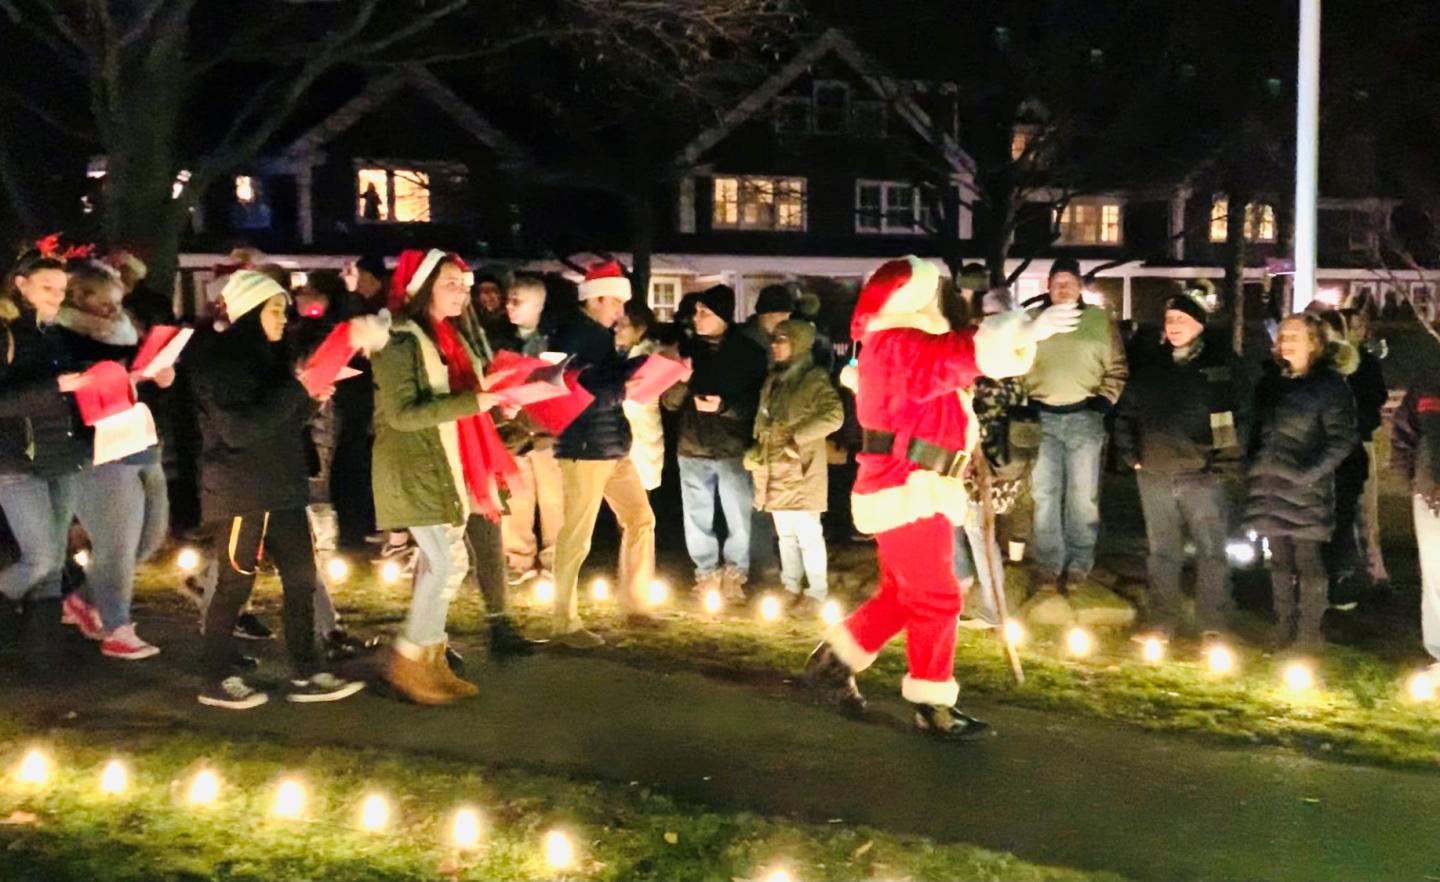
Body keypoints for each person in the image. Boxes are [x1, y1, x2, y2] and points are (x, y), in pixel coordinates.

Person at [805, 256, 1079, 740]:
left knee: (901, 595)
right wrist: (1028, 329)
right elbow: (959, 355)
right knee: (936, 597)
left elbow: (951, 362)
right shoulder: (902, 345)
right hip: (911, 488)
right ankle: (932, 703)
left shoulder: (890, 344)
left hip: (906, 485)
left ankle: (834, 661)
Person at [190, 270, 365, 709]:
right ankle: (215, 677)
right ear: (249, 311)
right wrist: (297, 391)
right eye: (273, 309)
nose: (283, 319)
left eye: (284, 310)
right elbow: (238, 429)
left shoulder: (272, 359)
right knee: (234, 585)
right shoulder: (221, 363)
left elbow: (278, 417)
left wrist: (311, 399)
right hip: (241, 491)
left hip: (282, 486)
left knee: (303, 579)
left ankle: (306, 670)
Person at [371, 249, 534, 703]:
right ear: (422, 288)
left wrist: (500, 397)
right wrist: (475, 403)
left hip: (449, 460)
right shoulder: (398, 339)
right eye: (451, 284)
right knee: (443, 562)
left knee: (451, 562)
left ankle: (431, 659)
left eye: (464, 283)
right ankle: (407, 662)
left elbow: (465, 392)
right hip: (417, 464)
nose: (463, 292)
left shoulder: (448, 336)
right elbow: (402, 414)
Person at [1114, 290, 1252, 641]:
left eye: (1181, 320)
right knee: (1162, 551)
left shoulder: (1220, 365)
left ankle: (1213, 622)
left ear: (1198, 324)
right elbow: (1127, 412)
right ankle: (1163, 620)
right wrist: (1132, 455)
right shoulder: (1152, 364)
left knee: (1210, 550)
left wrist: (1223, 462)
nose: (1174, 326)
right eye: (1170, 320)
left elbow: (1232, 416)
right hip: (1155, 471)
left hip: (1201, 473)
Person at [57, 262, 174, 660]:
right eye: (103, 301)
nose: (111, 308)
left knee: (151, 534)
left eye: (116, 301)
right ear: (80, 297)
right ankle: (117, 626)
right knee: (116, 543)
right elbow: (73, 391)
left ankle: (83, 601)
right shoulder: (61, 335)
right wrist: (125, 377)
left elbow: (140, 378)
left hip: (140, 436)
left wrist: (159, 373)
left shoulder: (127, 330)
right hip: (97, 446)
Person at [548, 261, 656, 648]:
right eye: (616, 304)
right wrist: (631, 380)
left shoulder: (595, 334)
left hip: (610, 444)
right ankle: (564, 620)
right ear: (597, 299)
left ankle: (637, 602)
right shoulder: (574, 335)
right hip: (585, 447)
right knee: (577, 535)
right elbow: (582, 391)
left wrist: (637, 367)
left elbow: (604, 381)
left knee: (641, 518)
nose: (620, 313)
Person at [0, 249, 90, 671]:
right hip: (17, 463)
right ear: (21, 285)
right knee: (39, 558)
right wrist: (54, 386)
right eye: (47, 288)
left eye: (61, 290)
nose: (57, 297)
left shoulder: (53, 333)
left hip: (60, 455)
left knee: (53, 565)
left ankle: (44, 659)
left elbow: (69, 394)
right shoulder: (7, 335)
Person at [1245, 314, 1357, 650]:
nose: (1286, 342)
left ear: (1314, 342)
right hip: (1268, 486)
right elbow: (1255, 427)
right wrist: (1254, 464)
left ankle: (1309, 634)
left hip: (1306, 488)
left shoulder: (1330, 387)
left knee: (1308, 560)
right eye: (1283, 336)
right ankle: (1283, 626)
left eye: (1295, 335)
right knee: (1278, 559)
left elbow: (1341, 439)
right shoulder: (1271, 383)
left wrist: (1307, 475)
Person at [1024, 256, 1128, 590]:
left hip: (1085, 417)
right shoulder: (1032, 320)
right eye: (1057, 282)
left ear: (1080, 287)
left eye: (1069, 281)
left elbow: (1118, 367)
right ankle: (1049, 562)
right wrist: (1022, 402)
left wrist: (1104, 401)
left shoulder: (1099, 321)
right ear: (1048, 287)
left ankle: (1080, 560)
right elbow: (1013, 362)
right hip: (1041, 419)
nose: (1063, 287)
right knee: (1044, 495)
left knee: (1083, 496)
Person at [662, 285, 768, 602]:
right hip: (692, 446)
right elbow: (668, 403)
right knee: (696, 516)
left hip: (731, 446)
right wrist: (681, 382)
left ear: (722, 314)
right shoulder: (687, 351)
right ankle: (705, 573)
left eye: (704, 312)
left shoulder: (748, 353)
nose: (697, 318)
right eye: (695, 312)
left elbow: (757, 403)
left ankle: (736, 573)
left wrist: (724, 407)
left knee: (738, 517)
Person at [746, 319, 843, 615]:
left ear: (799, 343)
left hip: (800, 470)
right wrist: (757, 448)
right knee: (786, 534)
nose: (775, 345)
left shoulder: (813, 379)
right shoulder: (774, 379)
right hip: (775, 468)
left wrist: (798, 439)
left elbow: (834, 415)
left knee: (808, 534)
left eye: (783, 340)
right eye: (773, 339)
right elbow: (764, 419)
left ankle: (816, 591)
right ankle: (790, 586)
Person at [493, 273, 563, 584]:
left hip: (548, 432)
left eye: (516, 300)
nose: (509, 305)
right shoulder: (498, 340)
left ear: (538, 304)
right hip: (513, 432)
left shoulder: (556, 341)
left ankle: (554, 560)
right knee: (516, 500)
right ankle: (518, 558)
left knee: (553, 499)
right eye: (509, 299)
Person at [1391, 373, 1440, 670]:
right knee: (1435, 575)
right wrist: (1414, 480)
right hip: (1429, 498)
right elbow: (1403, 433)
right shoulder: (1428, 384)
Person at [615, 300, 665, 492]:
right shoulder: (622, 355)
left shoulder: (650, 358)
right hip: (625, 436)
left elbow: (635, 399)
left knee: (637, 498)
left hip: (641, 435)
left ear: (640, 328)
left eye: (624, 324)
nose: (617, 329)